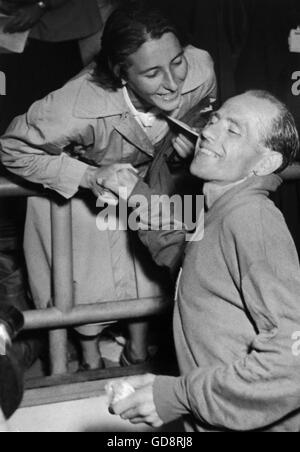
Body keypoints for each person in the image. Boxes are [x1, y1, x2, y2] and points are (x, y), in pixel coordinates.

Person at [0, 2, 217, 369]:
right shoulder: (72, 106)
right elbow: (11, 148)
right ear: (121, 75)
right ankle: (88, 357)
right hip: (90, 181)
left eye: (176, 61)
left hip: (154, 177)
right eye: (152, 73)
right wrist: (87, 176)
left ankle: (138, 348)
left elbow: (201, 114)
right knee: (85, 280)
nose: (173, 81)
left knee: (175, 266)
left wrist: (189, 150)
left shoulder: (201, 67)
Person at [102, 91, 300, 432]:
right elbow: (182, 256)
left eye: (233, 130)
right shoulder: (221, 210)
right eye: (214, 120)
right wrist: (134, 194)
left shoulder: (252, 219)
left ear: (265, 162)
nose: (209, 131)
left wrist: (179, 396)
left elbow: (292, 361)